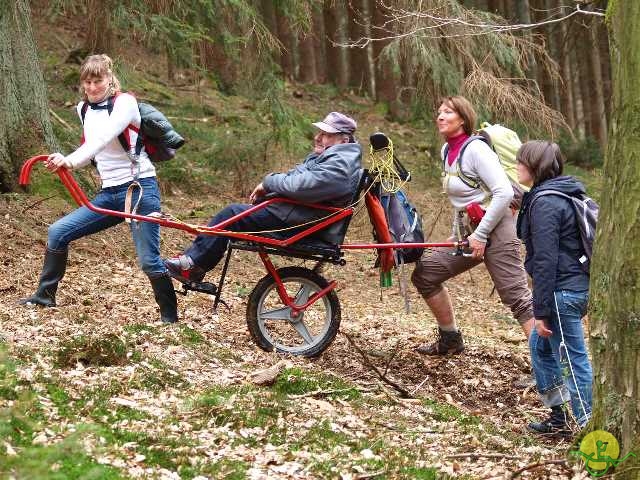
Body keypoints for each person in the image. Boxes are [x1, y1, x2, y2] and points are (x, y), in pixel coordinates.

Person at [20, 54, 178, 324]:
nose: (93, 87)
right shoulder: (83, 109)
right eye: (88, 81)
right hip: (109, 194)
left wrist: (69, 159)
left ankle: (170, 318)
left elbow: (105, 137)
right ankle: (45, 296)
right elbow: (93, 152)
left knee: (149, 260)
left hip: (139, 190)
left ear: (110, 80)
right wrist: (65, 161)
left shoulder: (125, 103)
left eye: (98, 81)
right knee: (58, 232)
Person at [164, 112, 362, 283]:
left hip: (294, 221)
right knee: (233, 213)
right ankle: (193, 264)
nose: (318, 137)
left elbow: (301, 185)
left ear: (343, 140)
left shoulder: (340, 164)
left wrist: (268, 183)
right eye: (320, 132)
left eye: (326, 134)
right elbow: (299, 181)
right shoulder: (334, 158)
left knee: (231, 213)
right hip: (293, 214)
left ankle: (193, 266)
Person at [411, 96, 534, 355]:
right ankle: (451, 340)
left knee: (518, 299)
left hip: (498, 228)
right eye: (439, 112)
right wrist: (456, 234)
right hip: (472, 230)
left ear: (463, 120)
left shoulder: (476, 150)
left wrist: (480, 235)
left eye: (448, 112)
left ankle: (550, 370)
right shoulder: (447, 151)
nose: (441, 116)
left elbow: (502, 193)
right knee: (426, 273)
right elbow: (464, 200)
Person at [516, 141, 592, 435]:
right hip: (574, 287)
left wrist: (542, 310)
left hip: (563, 292)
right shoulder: (562, 193)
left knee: (573, 360)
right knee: (540, 348)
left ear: (537, 166)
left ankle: (588, 427)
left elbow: (545, 261)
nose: (517, 166)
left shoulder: (546, 203)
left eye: (522, 161)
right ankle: (559, 419)